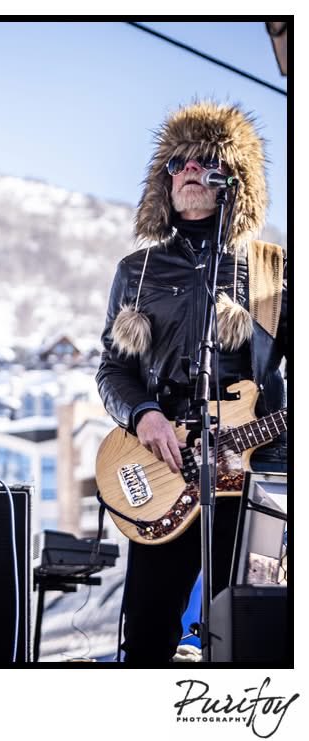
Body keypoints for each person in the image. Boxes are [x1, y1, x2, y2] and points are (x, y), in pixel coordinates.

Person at [95, 101, 287, 665]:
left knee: (250, 633)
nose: (187, 173)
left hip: (252, 473)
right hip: (164, 471)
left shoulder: (275, 270)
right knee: (149, 635)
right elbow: (111, 370)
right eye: (175, 164)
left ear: (234, 178)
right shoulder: (138, 270)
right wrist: (144, 415)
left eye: (204, 161)